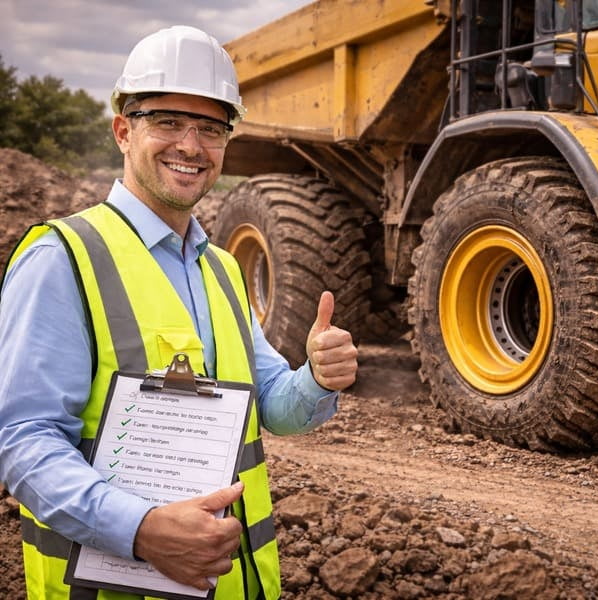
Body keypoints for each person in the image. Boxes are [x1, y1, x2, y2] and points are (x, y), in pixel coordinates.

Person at [0, 25, 358, 599]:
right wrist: (140, 530)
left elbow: (272, 406)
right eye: (168, 121)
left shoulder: (222, 268)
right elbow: (24, 442)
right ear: (123, 131)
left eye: (211, 128)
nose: (190, 146)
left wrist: (316, 379)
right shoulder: (61, 259)